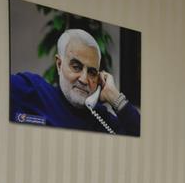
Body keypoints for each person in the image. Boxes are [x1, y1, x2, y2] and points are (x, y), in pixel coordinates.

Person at [10, 29, 140, 136]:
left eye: (92, 72)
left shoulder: (100, 117)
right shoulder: (31, 89)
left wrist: (115, 97)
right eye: (76, 67)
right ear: (59, 64)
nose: (84, 79)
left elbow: (142, 141)